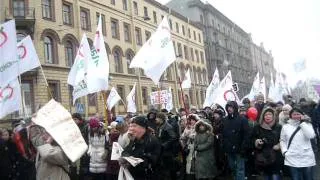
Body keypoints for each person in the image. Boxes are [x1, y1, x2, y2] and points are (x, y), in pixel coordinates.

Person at [280, 108, 316, 180]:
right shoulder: (286, 126)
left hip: (307, 157)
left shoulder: (307, 124)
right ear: (290, 116)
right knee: (296, 178)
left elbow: (311, 135)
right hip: (292, 157)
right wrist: (284, 151)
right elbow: (282, 140)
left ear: (302, 115)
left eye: (298, 114)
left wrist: (302, 123)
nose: (296, 116)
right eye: (294, 114)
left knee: (309, 178)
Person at [121, 116, 161, 180]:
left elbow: (152, 161)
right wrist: (124, 159)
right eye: (130, 126)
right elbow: (125, 152)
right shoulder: (134, 139)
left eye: (134, 126)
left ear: (143, 128)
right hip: (134, 175)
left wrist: (131, 162)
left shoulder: (152, 140)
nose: (131, 129)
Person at [251, 108, 282, 180]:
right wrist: (257, 141)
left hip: (275, 156)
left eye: (270, 114)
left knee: (275, 176)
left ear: (273, 116)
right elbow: (252, 139)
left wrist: (279, 145)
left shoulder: (278, 127)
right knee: (266, 176)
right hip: (263, 157)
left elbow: (284, 139)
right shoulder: (257, 127)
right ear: (263, 116)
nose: (268, 116)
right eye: (266, 115)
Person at [222, 101, 249, 180]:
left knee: (240, 168)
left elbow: (246, 134)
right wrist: (224, 145)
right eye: (228, 107)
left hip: (239, 148)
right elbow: (223, 134)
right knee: (232, 166)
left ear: (235, 108)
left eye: (231, 107)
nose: (229, 109)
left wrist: (243, 147)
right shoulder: (225, 120)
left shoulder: (242, 119)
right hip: (229, 148)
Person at [155, 112, 178, 180]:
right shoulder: (159, 126)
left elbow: (174, 137)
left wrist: (164, 145)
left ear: (161, 119)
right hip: (162, 151)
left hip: (168, 152)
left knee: (170, 169)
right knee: (164, 169)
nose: (156, 119)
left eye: (157, 118)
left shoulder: (168, 127)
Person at [180, 114, 199, 180]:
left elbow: (198, 136)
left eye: (193, 120)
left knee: (196, 163)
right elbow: (182, 138)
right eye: (191, 120)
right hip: (189, 148)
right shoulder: (187, 128)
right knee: (189, 163)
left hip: (197, 148)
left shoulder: (198, 127)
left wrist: (191, 135)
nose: (192, 121)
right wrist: (185, 136)